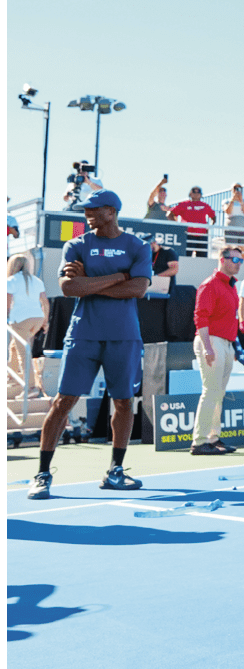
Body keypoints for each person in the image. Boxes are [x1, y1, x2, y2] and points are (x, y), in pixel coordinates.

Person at [27, 190, 152, 499]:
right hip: (83, 334)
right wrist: (118, 277)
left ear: (111, 211)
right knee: (63, 402)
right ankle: (42, 474)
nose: (87, 214)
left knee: (123, 402)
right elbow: (69, 287)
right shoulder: (77, 245)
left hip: (124, 335)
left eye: (93, 209)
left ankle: (115, 471)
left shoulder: (138, 246)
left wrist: (92, 284)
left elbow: (137, 289)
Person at [190, 246, 244, 456]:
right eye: (234, 259)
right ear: (222, 259)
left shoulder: (231, 286)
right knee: (210, 392)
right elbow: (200, 316)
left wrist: (234, 346)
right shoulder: (210, 284)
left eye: (240, 260)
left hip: (226, 342)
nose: (238, 263)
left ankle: (212, 438)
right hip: (212, 341)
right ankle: (200, 441)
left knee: (217, 394)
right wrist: (207, 347)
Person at [8, 254, 49, 397]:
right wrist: (45, 322)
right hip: (36, 319)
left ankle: (31, 388)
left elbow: (6, 303)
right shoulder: (36, 280)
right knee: (15, 346)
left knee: (23, 353)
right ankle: (11, 374)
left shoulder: (11, 280)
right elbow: (45, 302)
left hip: (20, 320)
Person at [171, 186, 217, 257]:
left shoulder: (205, 205)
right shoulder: (183, 204)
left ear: (201, 195)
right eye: (194, 192)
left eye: (198, 192)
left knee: (202, 259)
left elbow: (213, 217)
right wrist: (177, 226)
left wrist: (209, 227)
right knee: (185, 257)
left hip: (202, 236)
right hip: (187, 235)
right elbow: (170, 214)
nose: (196, 194)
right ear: (190, 194)